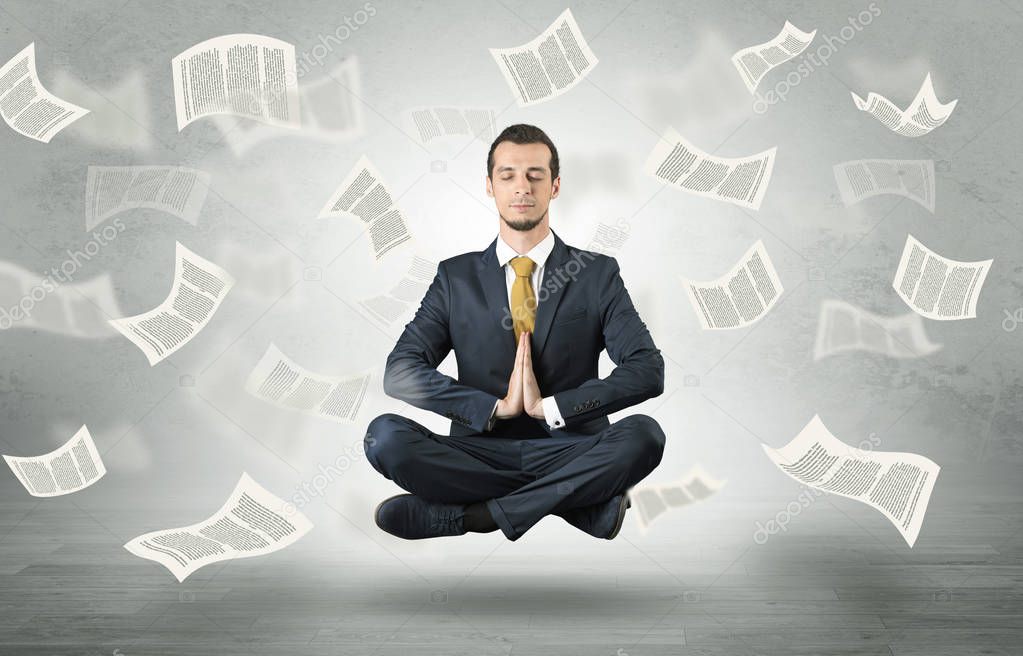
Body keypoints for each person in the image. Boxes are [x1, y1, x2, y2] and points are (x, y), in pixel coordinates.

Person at [364, 124, 665, 541]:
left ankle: (470, 517)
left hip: (571, 448)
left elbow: (647, 369)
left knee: (644, 436)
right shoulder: (456, 278)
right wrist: (494, 408)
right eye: (508, 176)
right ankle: (578, 504)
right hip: (478, 452)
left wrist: (555, 407)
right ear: (490, 186)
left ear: (554, 186)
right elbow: (400, 372)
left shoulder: (596, 274)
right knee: (384, 438)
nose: (522, 187)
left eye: (535, 175)